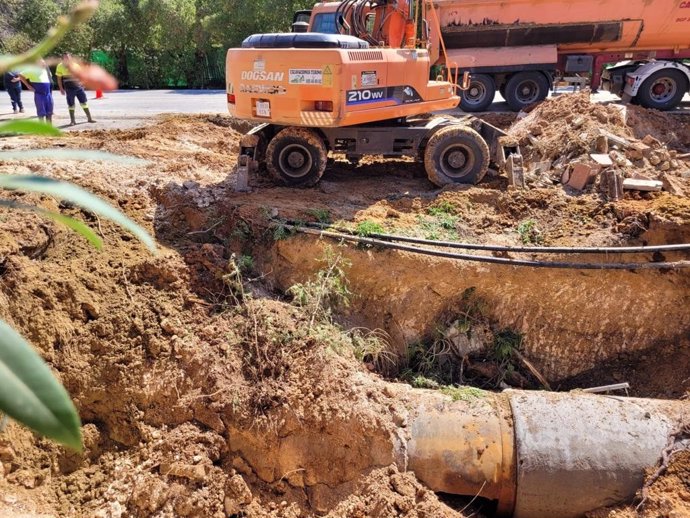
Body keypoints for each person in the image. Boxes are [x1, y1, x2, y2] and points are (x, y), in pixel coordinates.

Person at [56, 53, 95, 126]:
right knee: (71, 104)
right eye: (65, 57)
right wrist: (61, 88)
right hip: (69, 89)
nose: (67, 59)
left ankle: (89, 118)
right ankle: (72, 121)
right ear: (63, 59)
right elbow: (59, 78)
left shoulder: (76, 65)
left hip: (79, 88)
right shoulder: (60, 66)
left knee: (84, 103)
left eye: (68, 57)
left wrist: (83, 84)